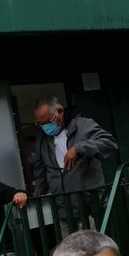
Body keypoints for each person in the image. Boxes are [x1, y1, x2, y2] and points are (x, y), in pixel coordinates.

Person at [32, 97, 118, 233]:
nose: (45, 127)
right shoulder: (42, 140)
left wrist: (78, 149)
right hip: (64, 211)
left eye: (48, 121)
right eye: (40, 124)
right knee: (70, 253)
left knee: (94, 251)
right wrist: (35, 196)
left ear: (60, 112)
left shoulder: (83, 126)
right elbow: (41, 173)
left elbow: (109, 143)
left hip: (91, 208)